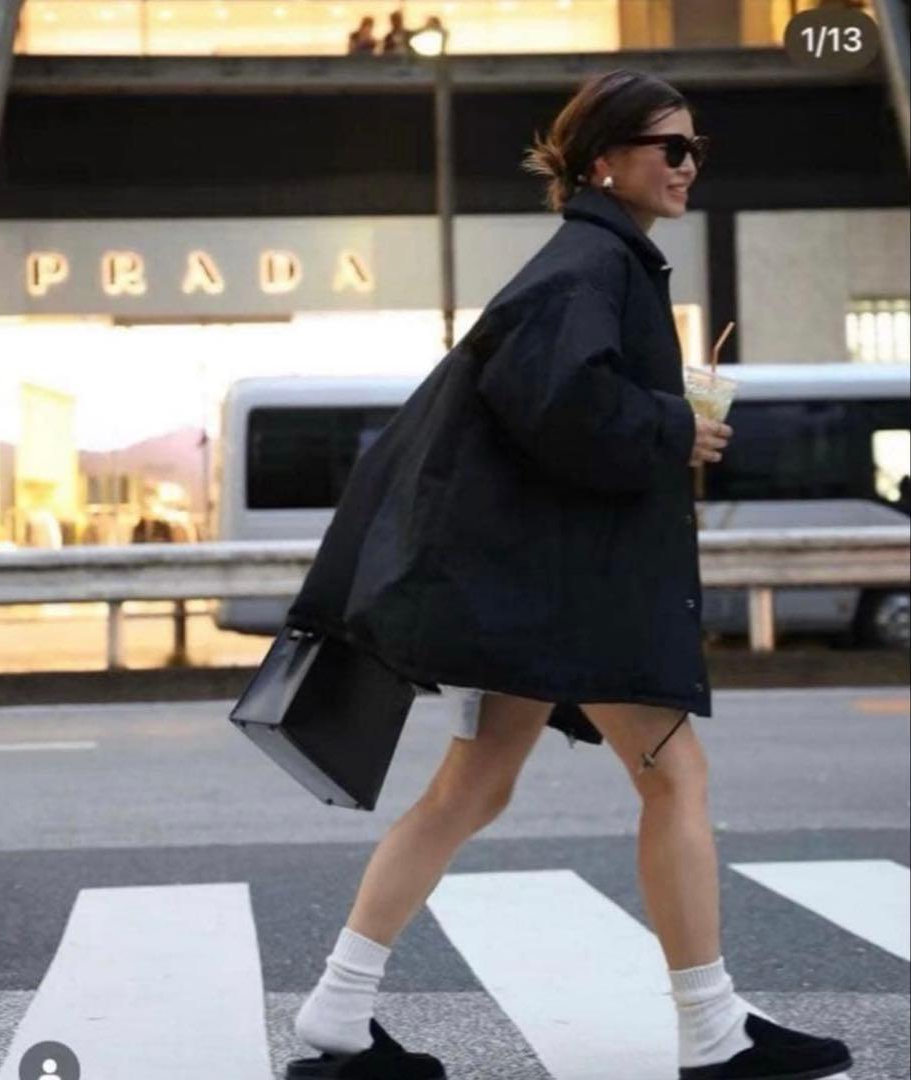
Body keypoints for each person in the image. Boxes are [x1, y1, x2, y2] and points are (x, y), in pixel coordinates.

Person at [283, 70, 853, 1080]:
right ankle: (712, 1033)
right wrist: (673, 426)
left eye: (695, 148)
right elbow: (558, 404)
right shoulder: (591, 263)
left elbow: (552, 409)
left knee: (472, 789)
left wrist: (663, 422)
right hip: (569, 599)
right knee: (672, 775)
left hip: (532, 596)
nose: (687, 165)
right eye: (667, 147)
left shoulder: (596, 260)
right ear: (601, 162)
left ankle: (336, 1013)